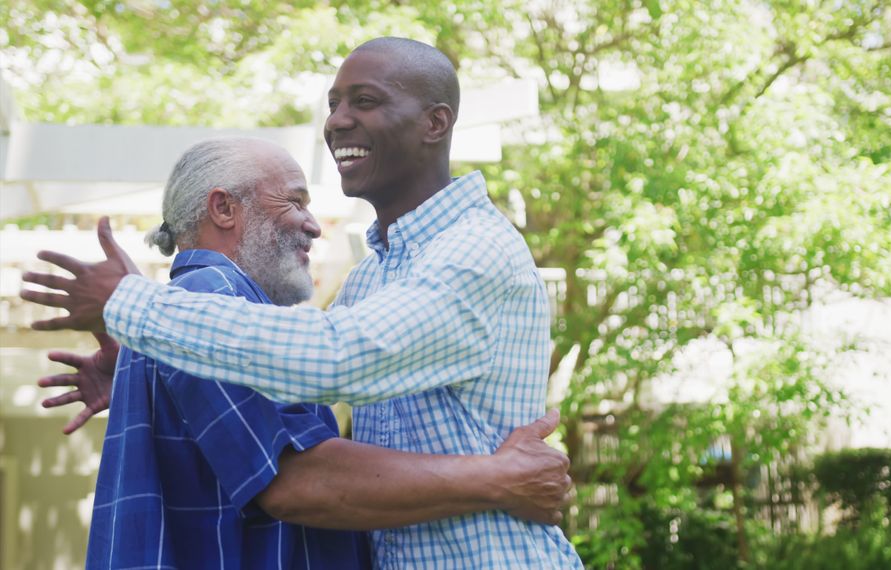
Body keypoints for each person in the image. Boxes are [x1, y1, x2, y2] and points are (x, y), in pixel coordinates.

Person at [22, 38, 584, 568]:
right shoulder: (364, 281)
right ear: (223, 209)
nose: (337, 121)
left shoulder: (473, 251)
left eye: (364, 102)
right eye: (335, 103)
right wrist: (149, 361)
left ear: (435, 123)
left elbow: (333, 359)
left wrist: (133, 306)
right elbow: (295, 430)